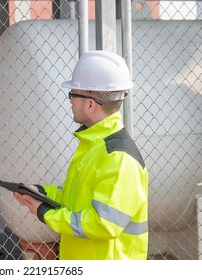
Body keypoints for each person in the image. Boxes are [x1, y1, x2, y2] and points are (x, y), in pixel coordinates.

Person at [14, 50, 149, 260]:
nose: (70, 102)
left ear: (90, 104)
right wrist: (40, 193)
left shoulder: (118, 157)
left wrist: (47, 213)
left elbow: (104, 224)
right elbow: (74, 200)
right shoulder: (94, 146)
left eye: (72, 95)